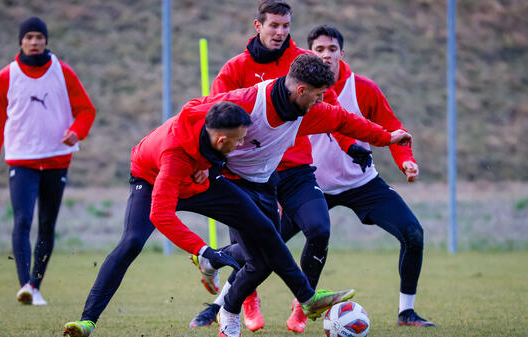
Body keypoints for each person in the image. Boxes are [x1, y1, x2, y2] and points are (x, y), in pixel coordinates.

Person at [62, 94, 357, 337]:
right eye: (237, 141)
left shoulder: (215, 120)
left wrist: (209, 166)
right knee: (131, 243)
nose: (241, 144)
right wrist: (202, 249)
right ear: (219, 140)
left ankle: (307, 299)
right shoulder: (175, 155)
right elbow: (160, 214)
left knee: (264, 228)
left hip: (199, 180)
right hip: (151, 177)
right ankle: (88, 321)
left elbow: (193, 104)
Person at [182, 53, 412, 337]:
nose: (321, 101)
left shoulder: (309, 110)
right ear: (301, 91)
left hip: (265, 182)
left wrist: (387, 137)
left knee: (262, 261)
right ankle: (242, 312)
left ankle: (214, 261)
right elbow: (191, 112)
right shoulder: (249, 101)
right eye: (318, 95)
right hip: (231, 183)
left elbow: (344, 120)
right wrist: (200, 162)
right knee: (263, 252)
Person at [189, 1, 357, 333]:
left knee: (319, 230)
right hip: (247, 174)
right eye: (274, 26)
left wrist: (354, 145)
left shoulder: (303, 64)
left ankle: (301, 307)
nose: (280, 32)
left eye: (286, 26)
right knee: (260, 252)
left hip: (294, 170)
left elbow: (333, 112)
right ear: (258, 26)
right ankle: (244, 299)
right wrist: (206, 162)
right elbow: (213, 119)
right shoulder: (236, 68)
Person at [296, 25, 435, 327]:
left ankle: (406, 312)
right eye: (319, 50)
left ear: (341, 53)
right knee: (263, 240)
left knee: (413, 234)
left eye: (332, 49)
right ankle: (221, 306)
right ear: (309, 53)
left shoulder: (363, 88)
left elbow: (391, 128)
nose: (326, 55)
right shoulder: (298, 89)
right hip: (309, 185)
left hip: (361, 183)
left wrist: (406, 161)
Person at [0, 17, 96, 306]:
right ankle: (24, 284)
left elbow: (86, 110)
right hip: (22, 161)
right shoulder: (7, 76)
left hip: (56, 161)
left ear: (46, 40)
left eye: (39, 37)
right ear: (21, 42)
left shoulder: (62, 72)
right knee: (23, 220)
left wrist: (77, 132)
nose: (34, 42)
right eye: (29, 37)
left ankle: (35, 286)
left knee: (47, 225)